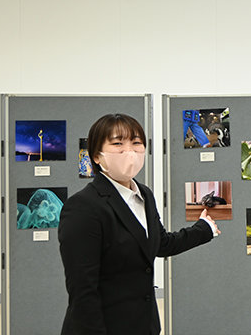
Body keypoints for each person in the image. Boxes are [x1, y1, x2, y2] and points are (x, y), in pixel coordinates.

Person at [58, 113, 220, 335]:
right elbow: (83, 291)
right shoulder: (83, 207)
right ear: (97, 155)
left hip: (144, 324)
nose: (130, 152)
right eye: (118, 144)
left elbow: (159, 243)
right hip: (104, 327)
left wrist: (203, 229)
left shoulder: (144, 194)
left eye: (136, 143)